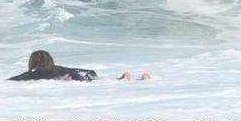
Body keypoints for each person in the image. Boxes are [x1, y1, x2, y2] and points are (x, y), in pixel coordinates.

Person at [8, 50, 150, 82]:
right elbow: (90, 71)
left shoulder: (32, 74)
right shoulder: (59, 67)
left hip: (69, 79)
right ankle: (124, 78)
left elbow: (16, 79)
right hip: (79, 76)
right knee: (93, 79)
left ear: (32, 62)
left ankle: (124, 79)